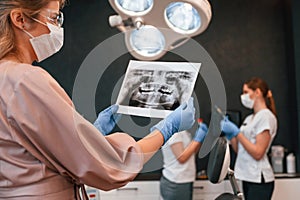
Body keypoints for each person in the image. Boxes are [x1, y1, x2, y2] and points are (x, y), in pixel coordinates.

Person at [0, 1, 197, 199]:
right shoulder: (24, 80)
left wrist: (88, 136)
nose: (58, 27)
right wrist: (166, 130)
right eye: (54, 18)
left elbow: (32, 154)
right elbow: (113, 165)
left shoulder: (5, 76)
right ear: (20, 19)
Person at [221, 77, 277, 200]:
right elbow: (240, 150)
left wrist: (238, 133)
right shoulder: (249, 118)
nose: (243, 96)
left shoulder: (266, 117)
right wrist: (232, 135)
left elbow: (258, 153)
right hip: (248, 176)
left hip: (259, 179)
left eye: (246, 92)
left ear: (257, 92)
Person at [160, 120, 208, 200]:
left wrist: (200, 140)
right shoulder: (174, 131)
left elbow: (191, 153)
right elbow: (181, 158)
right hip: (176, 182)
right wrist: (197, 139)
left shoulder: (182, 130)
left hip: (183, 180)